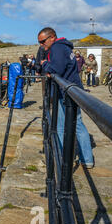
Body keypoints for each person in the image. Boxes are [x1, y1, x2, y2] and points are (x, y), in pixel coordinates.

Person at [39, 27, 94, 168]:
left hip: (66, 93)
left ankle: (63, 159)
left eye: (43, 41)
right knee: (78, 125)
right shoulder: (64, 47)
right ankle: (86, 159)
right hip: (73, 90)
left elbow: (55, 69)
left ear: (52, 37)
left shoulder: (57, 48)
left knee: (61, 126)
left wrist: (44, 64)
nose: (41, 44)